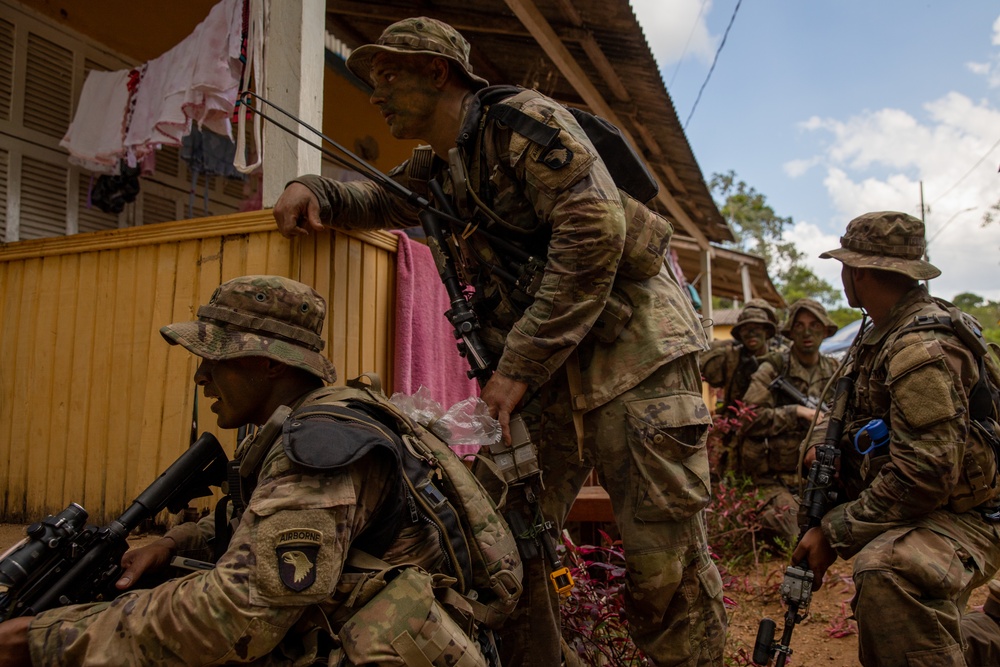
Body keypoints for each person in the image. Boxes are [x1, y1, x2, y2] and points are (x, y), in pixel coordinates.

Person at [271, 16, 727, 667]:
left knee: (663, 559)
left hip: (632, 352)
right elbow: (384, 199)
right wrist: (314, 188)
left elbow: (593, 231)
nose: (375, 94)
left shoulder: (522, 124)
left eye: (389, 76)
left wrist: (517, 364)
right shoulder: (447, 164)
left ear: (438, 72)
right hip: (545, 369)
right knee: (502, 532)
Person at [0, 275, 484, 666]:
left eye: (215, 356)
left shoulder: (320, 451)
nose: (201, 375)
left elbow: (235, 615)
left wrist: (42, 640)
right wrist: (173, 543)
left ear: (271, 364)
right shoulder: (301, 424)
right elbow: (262, 520)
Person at [793, 211, 1000, 666]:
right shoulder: (878, 331)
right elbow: (851, 409)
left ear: (859, 270)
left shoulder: (917, 348)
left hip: (968, 514)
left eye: (844, 265)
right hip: (935, 506)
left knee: (887, 570)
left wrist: (833, 532)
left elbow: (925, 473)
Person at [737, 299, 839, 546]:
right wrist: (796, 412)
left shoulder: (835, 370)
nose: (806, 332)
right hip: (774, 481)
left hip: (819, 479)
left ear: (825, 330)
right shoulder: (774, 367)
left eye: (814, 325)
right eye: (799, 325)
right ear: (790, 332)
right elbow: (748, 418)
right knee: (797, 534)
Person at [700, 299, 782, 478]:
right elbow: (701, 358)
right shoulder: (731, 357)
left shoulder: (781, 361)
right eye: (745, 329)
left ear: (767, 332)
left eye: (757, 328)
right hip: (733, 436)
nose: (751, 333)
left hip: (770, 435)